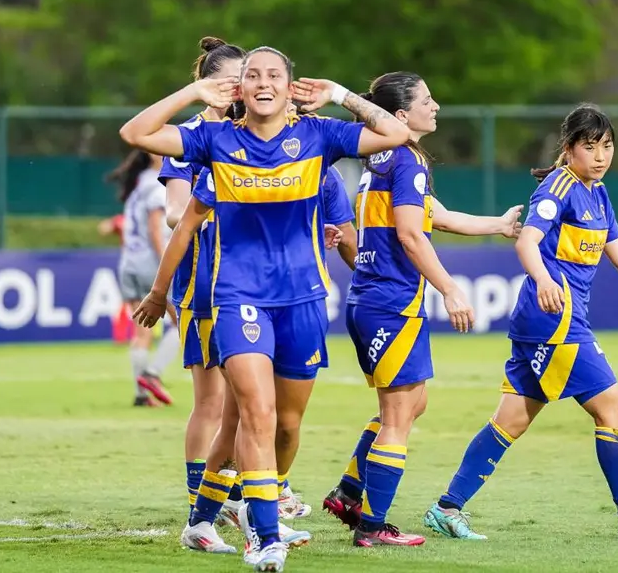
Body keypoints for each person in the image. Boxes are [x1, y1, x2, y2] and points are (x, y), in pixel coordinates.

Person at [123, 45, 410, 571]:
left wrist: (342, 95)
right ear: (239, 88)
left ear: (289, 85)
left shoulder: (319, 136)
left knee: (285, 424)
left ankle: (204, 516)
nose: (262, 82)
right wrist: (193, 92)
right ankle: (265, 534)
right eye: (251, 75)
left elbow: (396, 134)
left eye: (274, 75)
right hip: (237, 299)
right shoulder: (214, 140)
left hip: (301, 302)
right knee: (255, 413)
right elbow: (135, 134)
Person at [423, 103, 618, 542]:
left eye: (607, 145)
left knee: (511, 420)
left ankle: (447, 507)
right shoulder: (559, 187)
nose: (601, 155)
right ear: (569, 148)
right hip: (555, 321)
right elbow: (528, 242)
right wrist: (542, 279)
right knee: (614, 410)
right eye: (590, 146)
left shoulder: (599, 193)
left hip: (547, 322)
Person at [320, 72, 525, 548]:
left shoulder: (382, 160)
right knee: (397, 416)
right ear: (400, 116)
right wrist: (450, 289)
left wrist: (499, 224)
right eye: (427, 100)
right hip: (390, 305)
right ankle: (372, 526)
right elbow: (412, 236)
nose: (436, 106)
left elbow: (437, 216)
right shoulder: (408, 159)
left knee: (413, 404)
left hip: (374, 302)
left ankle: (350, 492)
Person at [158, 38, 245, 547]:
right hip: (204, 282)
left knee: (251, 401)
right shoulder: (190, 137)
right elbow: (174, 214)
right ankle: (200, 508)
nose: (243, 89)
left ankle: (237, 499)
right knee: (211, 401)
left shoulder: (251, 135)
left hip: (251, 282)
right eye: (235, 80)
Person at [107, 150, 179, 407]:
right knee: (183, 323)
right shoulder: (157, 184)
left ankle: (141, 394)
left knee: (142, 331)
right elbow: (154, 227)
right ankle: (153, 374)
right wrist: (166, 262)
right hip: (151, 263)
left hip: (129, 263)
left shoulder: (139, 185)